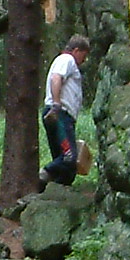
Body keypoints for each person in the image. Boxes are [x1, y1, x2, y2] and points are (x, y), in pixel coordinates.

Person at [39, 34, 92, 189]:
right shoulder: (66, 60)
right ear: (76, 50)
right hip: (59, 114)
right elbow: (56, 78)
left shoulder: (67, 62)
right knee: (69, 157)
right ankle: (41, 176)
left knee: (68, 169)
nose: (84, 60)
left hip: (63, 116)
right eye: (84, 55)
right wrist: (56, 105)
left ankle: (52, 190)